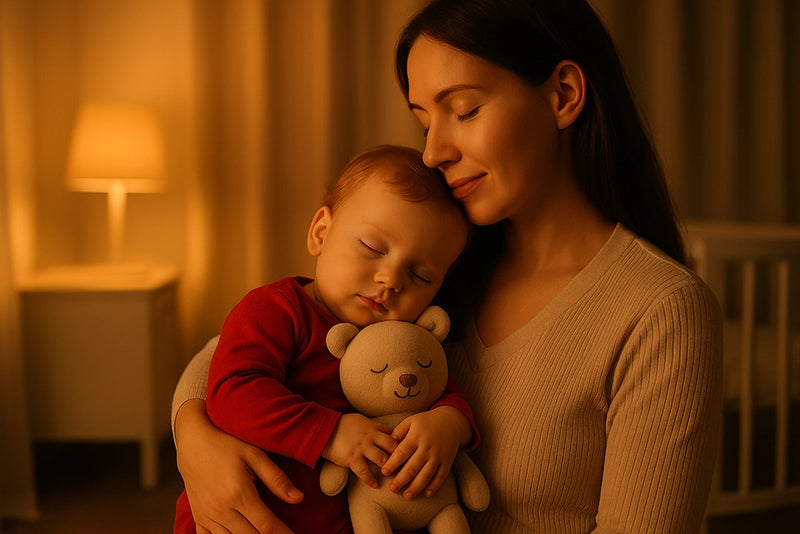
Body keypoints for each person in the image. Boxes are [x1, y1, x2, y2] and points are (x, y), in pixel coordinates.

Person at [172, 1, 724, 532]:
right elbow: (225, 356)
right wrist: (194, 438)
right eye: (424, 120)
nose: (433, 152)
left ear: (563, 95)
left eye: (463, 110)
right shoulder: (436, 265)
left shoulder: (659, 311)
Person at [173, 145, 475, 534]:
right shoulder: (277, 310)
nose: (391, 279)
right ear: (321, 233)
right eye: (372, 248)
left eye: (420, 276)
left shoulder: (404, 338)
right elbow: (233, 391)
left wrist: (450, 424)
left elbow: (440, 386)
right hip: (241, 518)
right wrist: (330, 432)